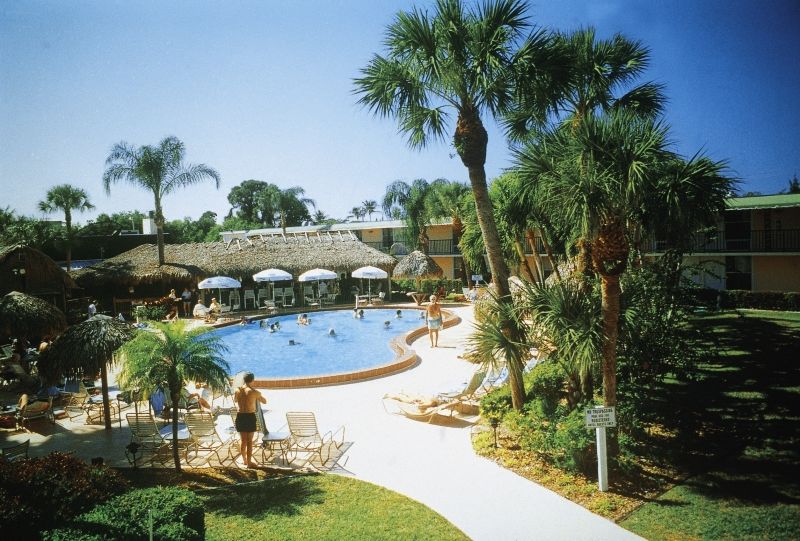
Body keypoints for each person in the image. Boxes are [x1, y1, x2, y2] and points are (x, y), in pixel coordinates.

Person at [234, 372, 266, 469]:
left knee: (243, 440)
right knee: (249, 441)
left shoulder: (237, 390)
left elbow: (235, 400)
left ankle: (244, 460)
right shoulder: (255, 392)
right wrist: (256, 396)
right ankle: (249, 463)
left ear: (244, 380)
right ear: (252, 380)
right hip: (249, 417)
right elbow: (264, 401)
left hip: (240, 416)